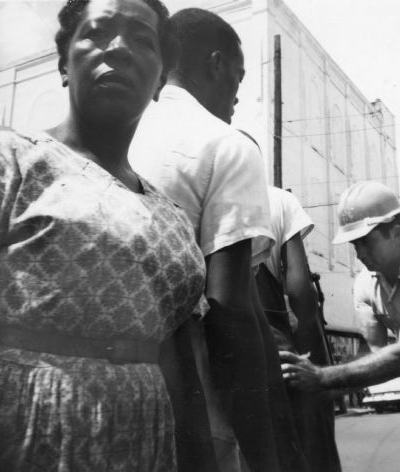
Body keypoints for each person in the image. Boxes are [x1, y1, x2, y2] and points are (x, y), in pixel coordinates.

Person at [0, 0, 217, 470]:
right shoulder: (12, 162)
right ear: (63, 61)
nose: (117, 48)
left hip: (146, 446)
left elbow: (183, 370)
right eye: (96, 32)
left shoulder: (173, 219)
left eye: (141, 39)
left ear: (160, 80)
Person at [130, 8, 306, 472]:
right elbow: (229, 309)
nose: (237, 95)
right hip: (188, 386)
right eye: (237, 75)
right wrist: (266, 450)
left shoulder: (120, 131)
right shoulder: (226, 145)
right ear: (214, 63)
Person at [281, 181, 400, 472]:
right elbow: (379, 358)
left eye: (365, 242)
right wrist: (319, 389)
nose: (358, 253)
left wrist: (321, 378)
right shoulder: (365, 285)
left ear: (396, 232)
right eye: (354, 244)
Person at [255, 184, 342, 472]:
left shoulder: (205, 195)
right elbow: (300, 294)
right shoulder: (278, 199)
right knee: (311, 446)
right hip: (275, 345)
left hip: (221, 342)